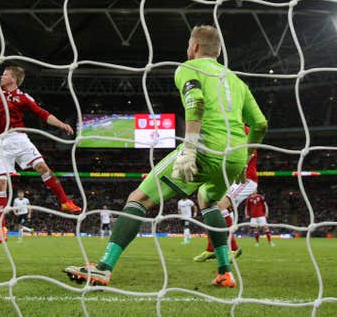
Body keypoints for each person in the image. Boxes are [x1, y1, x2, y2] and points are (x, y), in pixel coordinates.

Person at [63, 25, 267, 288]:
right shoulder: (238, 82)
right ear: (217, 51)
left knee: (139, 199)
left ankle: (103, 268)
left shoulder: (188, 68)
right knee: (208, 201)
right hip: (235, 158)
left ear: (194, 47)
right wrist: (245, 158)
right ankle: (225, 271)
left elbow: (196, 102)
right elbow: (260, 124)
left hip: (205, 149)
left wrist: (190, 149)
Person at [0, 65, 81, 243]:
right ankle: (1, 227)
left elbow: (42, 113)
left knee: (43, 167)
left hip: (19, 139)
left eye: (4, 74)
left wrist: (61, 124)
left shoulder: (24, 98)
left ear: (13, 79)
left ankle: (65, 201)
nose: (1, 76)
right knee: (1, 184)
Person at [193, 125, 258, 262]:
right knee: (207, 204)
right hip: (231, 177)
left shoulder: (244, 130)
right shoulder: (224, 128)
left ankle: (233, 249)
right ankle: (211, 250)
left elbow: (249, 153)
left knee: (220, 206)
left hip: (245, 179)